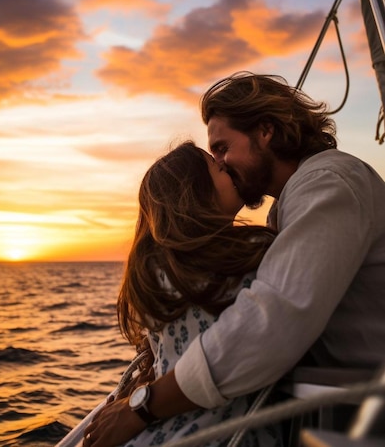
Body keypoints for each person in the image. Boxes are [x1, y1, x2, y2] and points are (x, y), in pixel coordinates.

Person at [84, 72, 385, 447]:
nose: (220, 163)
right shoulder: (294, 202)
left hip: (364, 411)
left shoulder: (329, 182)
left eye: (222, 147)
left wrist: (144, 407)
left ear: (266, 132)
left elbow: (270, 322)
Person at [83, 140, 282, 447]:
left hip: (156, 431)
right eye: (217, 168)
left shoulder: (153, 270)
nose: (226, 165)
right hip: (230, 434)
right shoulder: (252, 250)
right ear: (197, 190)